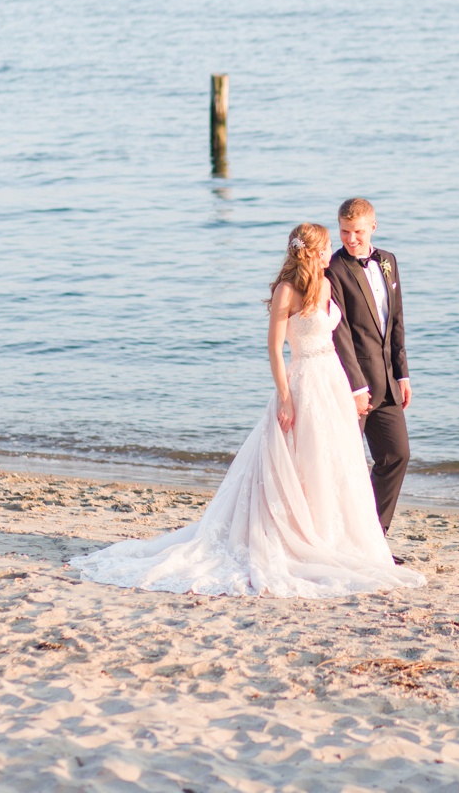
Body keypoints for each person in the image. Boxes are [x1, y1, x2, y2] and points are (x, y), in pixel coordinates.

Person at [69, 223, 423, 598]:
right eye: (328, 245)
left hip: (332, 381)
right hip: (302, 381)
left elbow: (348, 334)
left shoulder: (327, 284)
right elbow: (274, 349)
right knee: (300, 462)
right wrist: (285, 397)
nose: (333, 251)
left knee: (334, 463)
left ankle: (332, 536)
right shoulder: (287, 291)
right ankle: (293, 536)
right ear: (314, 251)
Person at [325, 198, 411, 541]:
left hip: (389, 381)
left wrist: (403, 374)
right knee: (342, 465)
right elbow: (340, 331)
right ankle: (339, 536)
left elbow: (397, 321)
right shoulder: (333, 269)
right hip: (352, 385)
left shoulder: (388, 261)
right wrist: (357, 387)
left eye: (357, 231)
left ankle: (373, 537)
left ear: (372, 227)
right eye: (345, 232)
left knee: (396, 455)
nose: (351, 239)